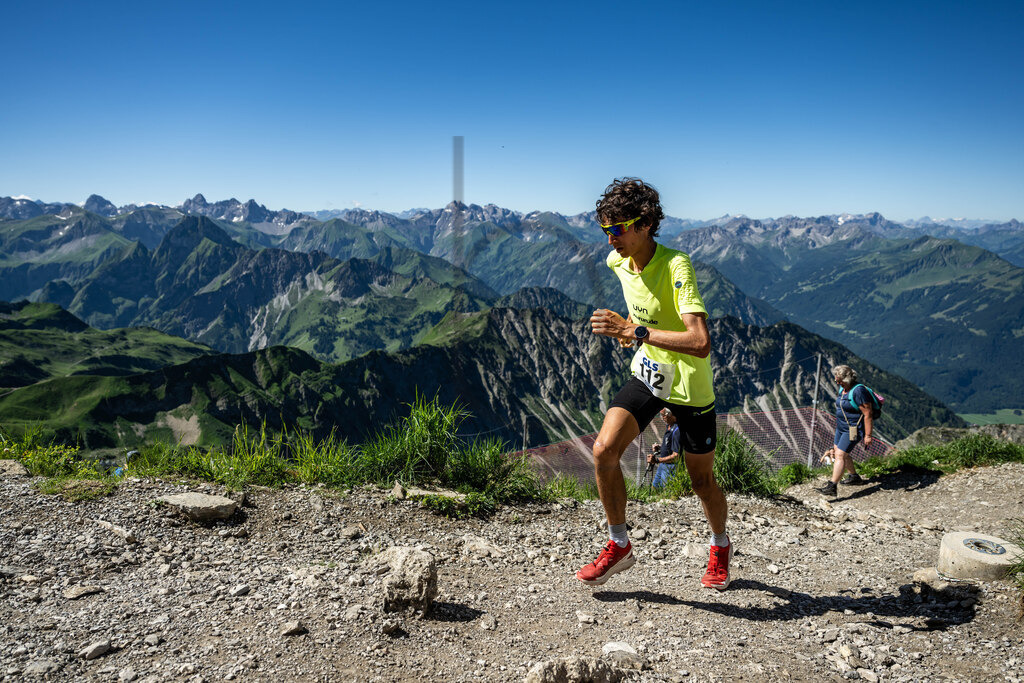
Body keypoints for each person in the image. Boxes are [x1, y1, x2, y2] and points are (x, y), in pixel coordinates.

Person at [576, 177, 732, 590]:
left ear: (644, 223)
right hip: (648, 375)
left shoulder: (677, 265)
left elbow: (699, 343)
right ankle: (619, 544)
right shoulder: (618, 262)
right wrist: (634, 335)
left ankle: (720, 545)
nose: (610, 240)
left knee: (701, 481)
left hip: (691, 388)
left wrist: (634, 330)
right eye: (604, 230)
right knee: (604, 450)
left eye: (617, 229)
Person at [816, 364, 872, 496]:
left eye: (839, 380)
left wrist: (868, 435)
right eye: (836, 379)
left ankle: (832, 486)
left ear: (847, 380)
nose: (837, 382)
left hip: (853, 429)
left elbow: (868, 413)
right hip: (841, 427)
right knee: (839, 453)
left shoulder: (858, 391)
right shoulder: (843, 388)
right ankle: (854, 477)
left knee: (840, 455)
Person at [648, 408, 680, 488]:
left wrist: (657, 460)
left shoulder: (677, 430)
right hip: (663, 465)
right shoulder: (669, 426)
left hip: (671, 467)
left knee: (666, 491)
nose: (662, 418)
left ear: (670, 415)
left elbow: (676, 456)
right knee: (655, 488)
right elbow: (669, 444)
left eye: (663, 415)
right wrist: (660, 447)